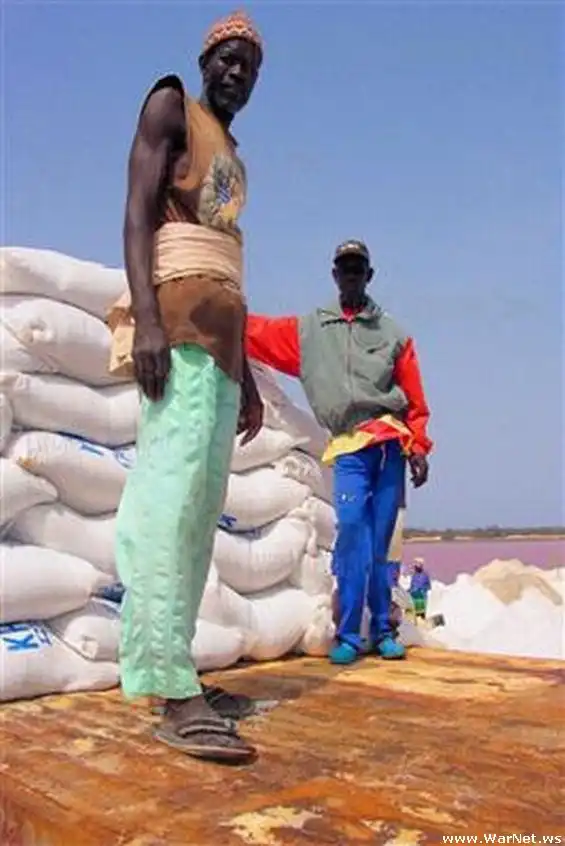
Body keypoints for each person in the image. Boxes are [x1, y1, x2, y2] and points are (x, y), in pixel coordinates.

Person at [107, 10, 265, 764]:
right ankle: (169, 691)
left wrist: (250, 375)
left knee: (200, 517)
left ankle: (183, 669)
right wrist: (146, 319)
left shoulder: (232, 153)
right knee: (167, 508)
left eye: (249, 67)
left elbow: (225, 267)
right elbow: (138, 216)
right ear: (205, 62)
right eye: (227, 59)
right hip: (176, 333)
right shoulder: (171, 106)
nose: (236, 73)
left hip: (222, 351)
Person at [245, 239, 433, 664]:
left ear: (369, 275)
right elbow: (255, 332)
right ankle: (348, 633)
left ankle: (382, 629)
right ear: (334, 275)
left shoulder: (393, 334)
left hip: (389, 445)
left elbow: (414, 397)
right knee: (350, 533)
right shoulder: (311, 330)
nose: (350, 275)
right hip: (349, 446)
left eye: (357, 268)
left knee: (382, 543)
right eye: (344, 268)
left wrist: (419, 446)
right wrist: (212, 310)